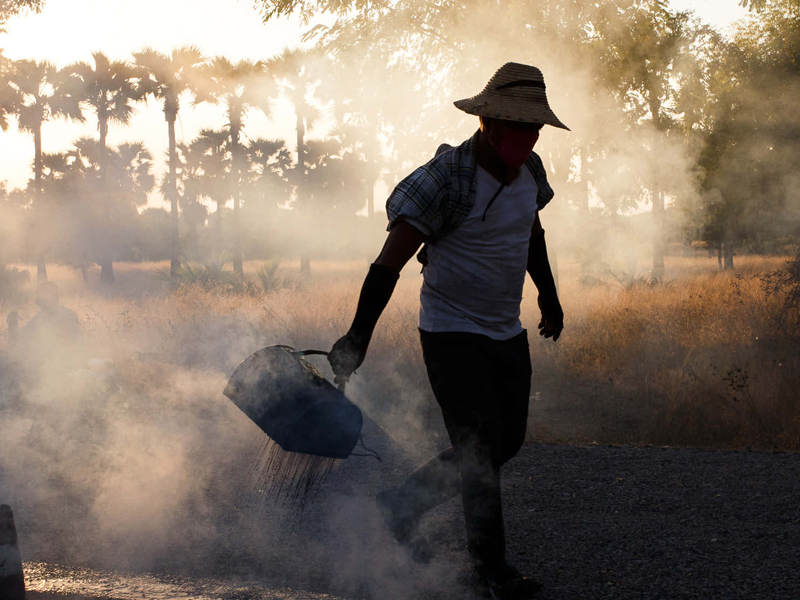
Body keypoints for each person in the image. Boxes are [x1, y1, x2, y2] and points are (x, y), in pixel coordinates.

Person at [328, 62, 567, 599]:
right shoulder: (445, 180)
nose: (530, 139)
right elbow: (388, 263)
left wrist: (548, 295)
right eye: (522, 129)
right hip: (450, 331)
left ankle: (402, 504)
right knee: (479, 447)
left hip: (505, 331)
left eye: (537, 129)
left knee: (507, 441)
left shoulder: (530, 172)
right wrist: (357, 339)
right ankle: (492, 571)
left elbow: (531, 233)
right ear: (490, 124)